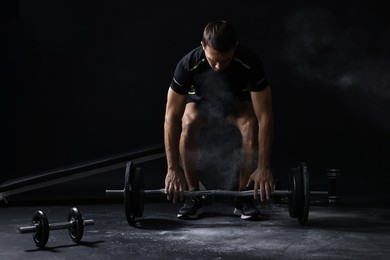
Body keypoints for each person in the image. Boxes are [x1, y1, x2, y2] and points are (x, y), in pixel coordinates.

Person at [163, 20, 274, 220]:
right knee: (187, 125)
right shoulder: (188, 64)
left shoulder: (250, 62)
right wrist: (173, 169)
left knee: (251, 125)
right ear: (203, 46)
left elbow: (265, 117)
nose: (218, 66)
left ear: (235, 48)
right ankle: (194, 195)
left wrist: (263, 167)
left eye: (225, 60)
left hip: (236, 106)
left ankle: (243, 198)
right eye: (213, 60)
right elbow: (170, 118)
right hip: (201, 105)